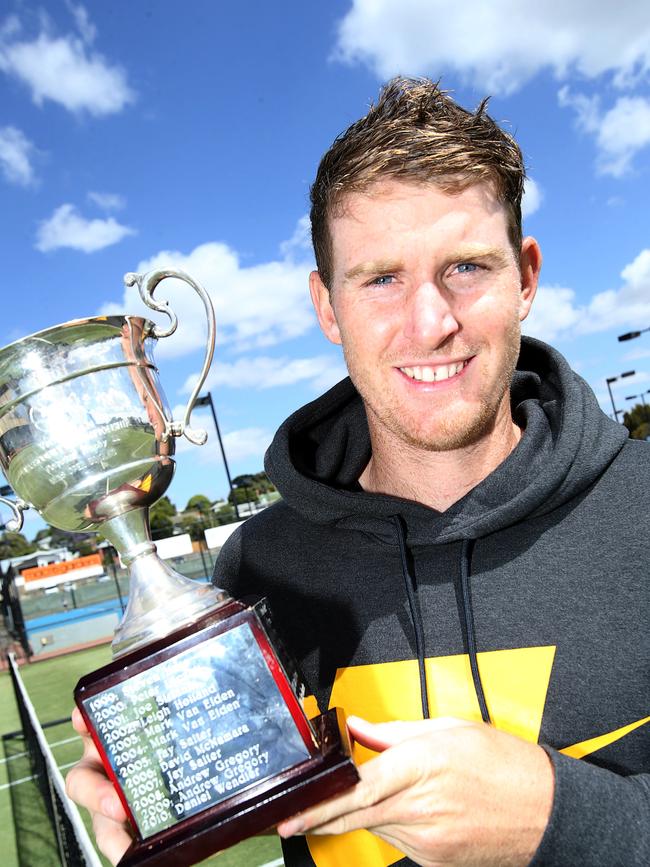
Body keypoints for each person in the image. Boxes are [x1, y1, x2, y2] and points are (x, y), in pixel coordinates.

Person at [67, 78, 650, 867]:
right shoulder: (258, 574)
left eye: (468, 267)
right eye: (381, 278)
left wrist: (559, 814)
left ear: (528, 277)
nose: (431, 322)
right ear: (326, 306)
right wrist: (155, 794)